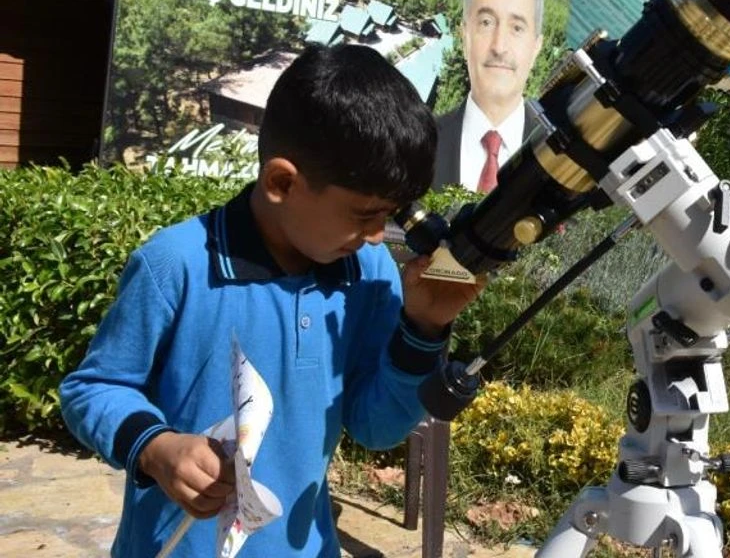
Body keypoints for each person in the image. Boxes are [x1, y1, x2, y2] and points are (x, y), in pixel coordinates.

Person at [59, 44, 482, 558]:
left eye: (390, 215)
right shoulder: (177, 263)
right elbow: (94, 387)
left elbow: (377, 427)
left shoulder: (368, 274)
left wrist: (423, 326)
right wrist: (156, 448)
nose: (377, 236)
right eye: (364, 214)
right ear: (282, 182)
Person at [432, 0, 545, 192]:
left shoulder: (564, 159)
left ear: (536, 47)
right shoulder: (418, 149)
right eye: (486, 22)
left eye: (517, 27)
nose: (499, 46)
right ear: (464, 38)